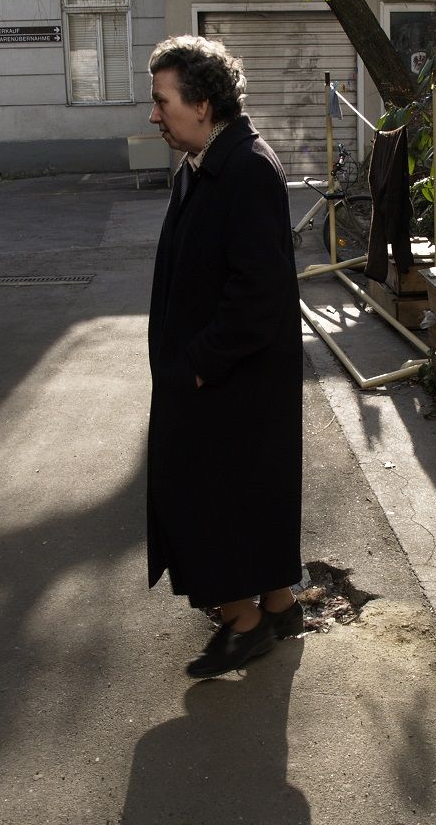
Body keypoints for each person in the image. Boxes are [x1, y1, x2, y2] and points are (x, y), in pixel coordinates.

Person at [145, 35, 304, 679]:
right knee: (250, 493)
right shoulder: (207, 159)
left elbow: (258, 292)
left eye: (162, 102)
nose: (154, 115)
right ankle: (279, 602)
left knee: (210, 499)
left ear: (203, 105)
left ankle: (242, 622)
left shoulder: (244, 168)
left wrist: (199, 365)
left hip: (227, 379)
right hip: (224, 376)